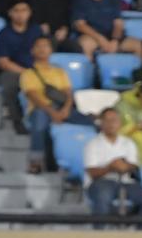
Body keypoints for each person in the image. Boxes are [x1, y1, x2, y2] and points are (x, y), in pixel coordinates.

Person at [20, 35, 93, 172]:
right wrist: (53, 113)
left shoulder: (60, 72)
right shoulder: (28, 73)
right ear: (32, 51)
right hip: (40, 109)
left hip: (61, 108)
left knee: (90, 122)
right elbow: (34, 96)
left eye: (45, 46)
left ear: (51, 50)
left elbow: (68, 93)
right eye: (38, 46)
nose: (42, 49)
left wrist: (65, 109)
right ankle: (35, 161)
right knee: (39, 122)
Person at [82, 107, 142, 218]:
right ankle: (100, 233)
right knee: (103, 197)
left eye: (114, 120)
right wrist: (111, 167)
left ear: (120, 123)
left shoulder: (128, 143)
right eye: (107, 120)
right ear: (101, 123)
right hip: (101, 183)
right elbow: (92, 173)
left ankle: (140, 233)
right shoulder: (92, 144)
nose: (111, 124)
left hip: (126, 182)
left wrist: (124, 166)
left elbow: (134, 166)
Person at [0, 0, 42, 135]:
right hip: (13, 71)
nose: (21, 14)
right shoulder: (3, 34)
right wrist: (26, 73)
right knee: (9, 84)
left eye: (24, 10)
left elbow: (44, 52)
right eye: (17, 11)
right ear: (10, 13)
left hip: (35, 70)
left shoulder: (36, 30)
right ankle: (17, 121)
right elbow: (3, 62)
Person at [71, 0, 140, 58]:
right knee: (85, 44)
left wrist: (115, 40)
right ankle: (89, 72)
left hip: (113, 37)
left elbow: (118, 23)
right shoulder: (80, 0)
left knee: (139, 45)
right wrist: (101, 39)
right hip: (92, 37)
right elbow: (80, 25)